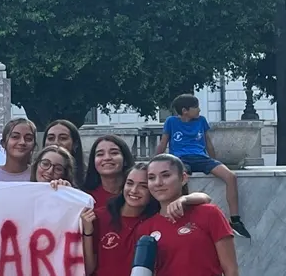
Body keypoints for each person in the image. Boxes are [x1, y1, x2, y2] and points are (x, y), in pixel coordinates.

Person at [81, 162, 214, 276]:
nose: (134, 190)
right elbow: (88, 269)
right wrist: (88, 232)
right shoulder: (100, 216)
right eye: (130, 183)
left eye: (143, 186)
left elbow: (205, 198)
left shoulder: (154, 220)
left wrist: (184, 199)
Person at [155, 94, 249, 238]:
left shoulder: (201, 121)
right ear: (185, 110)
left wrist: (214, 162)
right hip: (181, 159)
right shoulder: (171, 122)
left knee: (230, 176)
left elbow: (208, 143)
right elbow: (163, 143)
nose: (199, 110)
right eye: (196, 107)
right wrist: (155, 162)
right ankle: (177, 214)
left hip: (201, 158)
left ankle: (235, 220)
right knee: (179, 179)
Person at [140, 154, 239, 276]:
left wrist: (186, 200)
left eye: (166, 175)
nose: (158, 183)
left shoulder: (209, 214)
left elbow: (231, 270)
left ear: (183, 178)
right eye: (151, 178)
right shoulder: (146, 227)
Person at [82, 135, 133, 209]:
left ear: (125, 159)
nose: (107, 158)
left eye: (114, 153)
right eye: (100, 154)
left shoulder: (136, 193)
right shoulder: (85, 196)